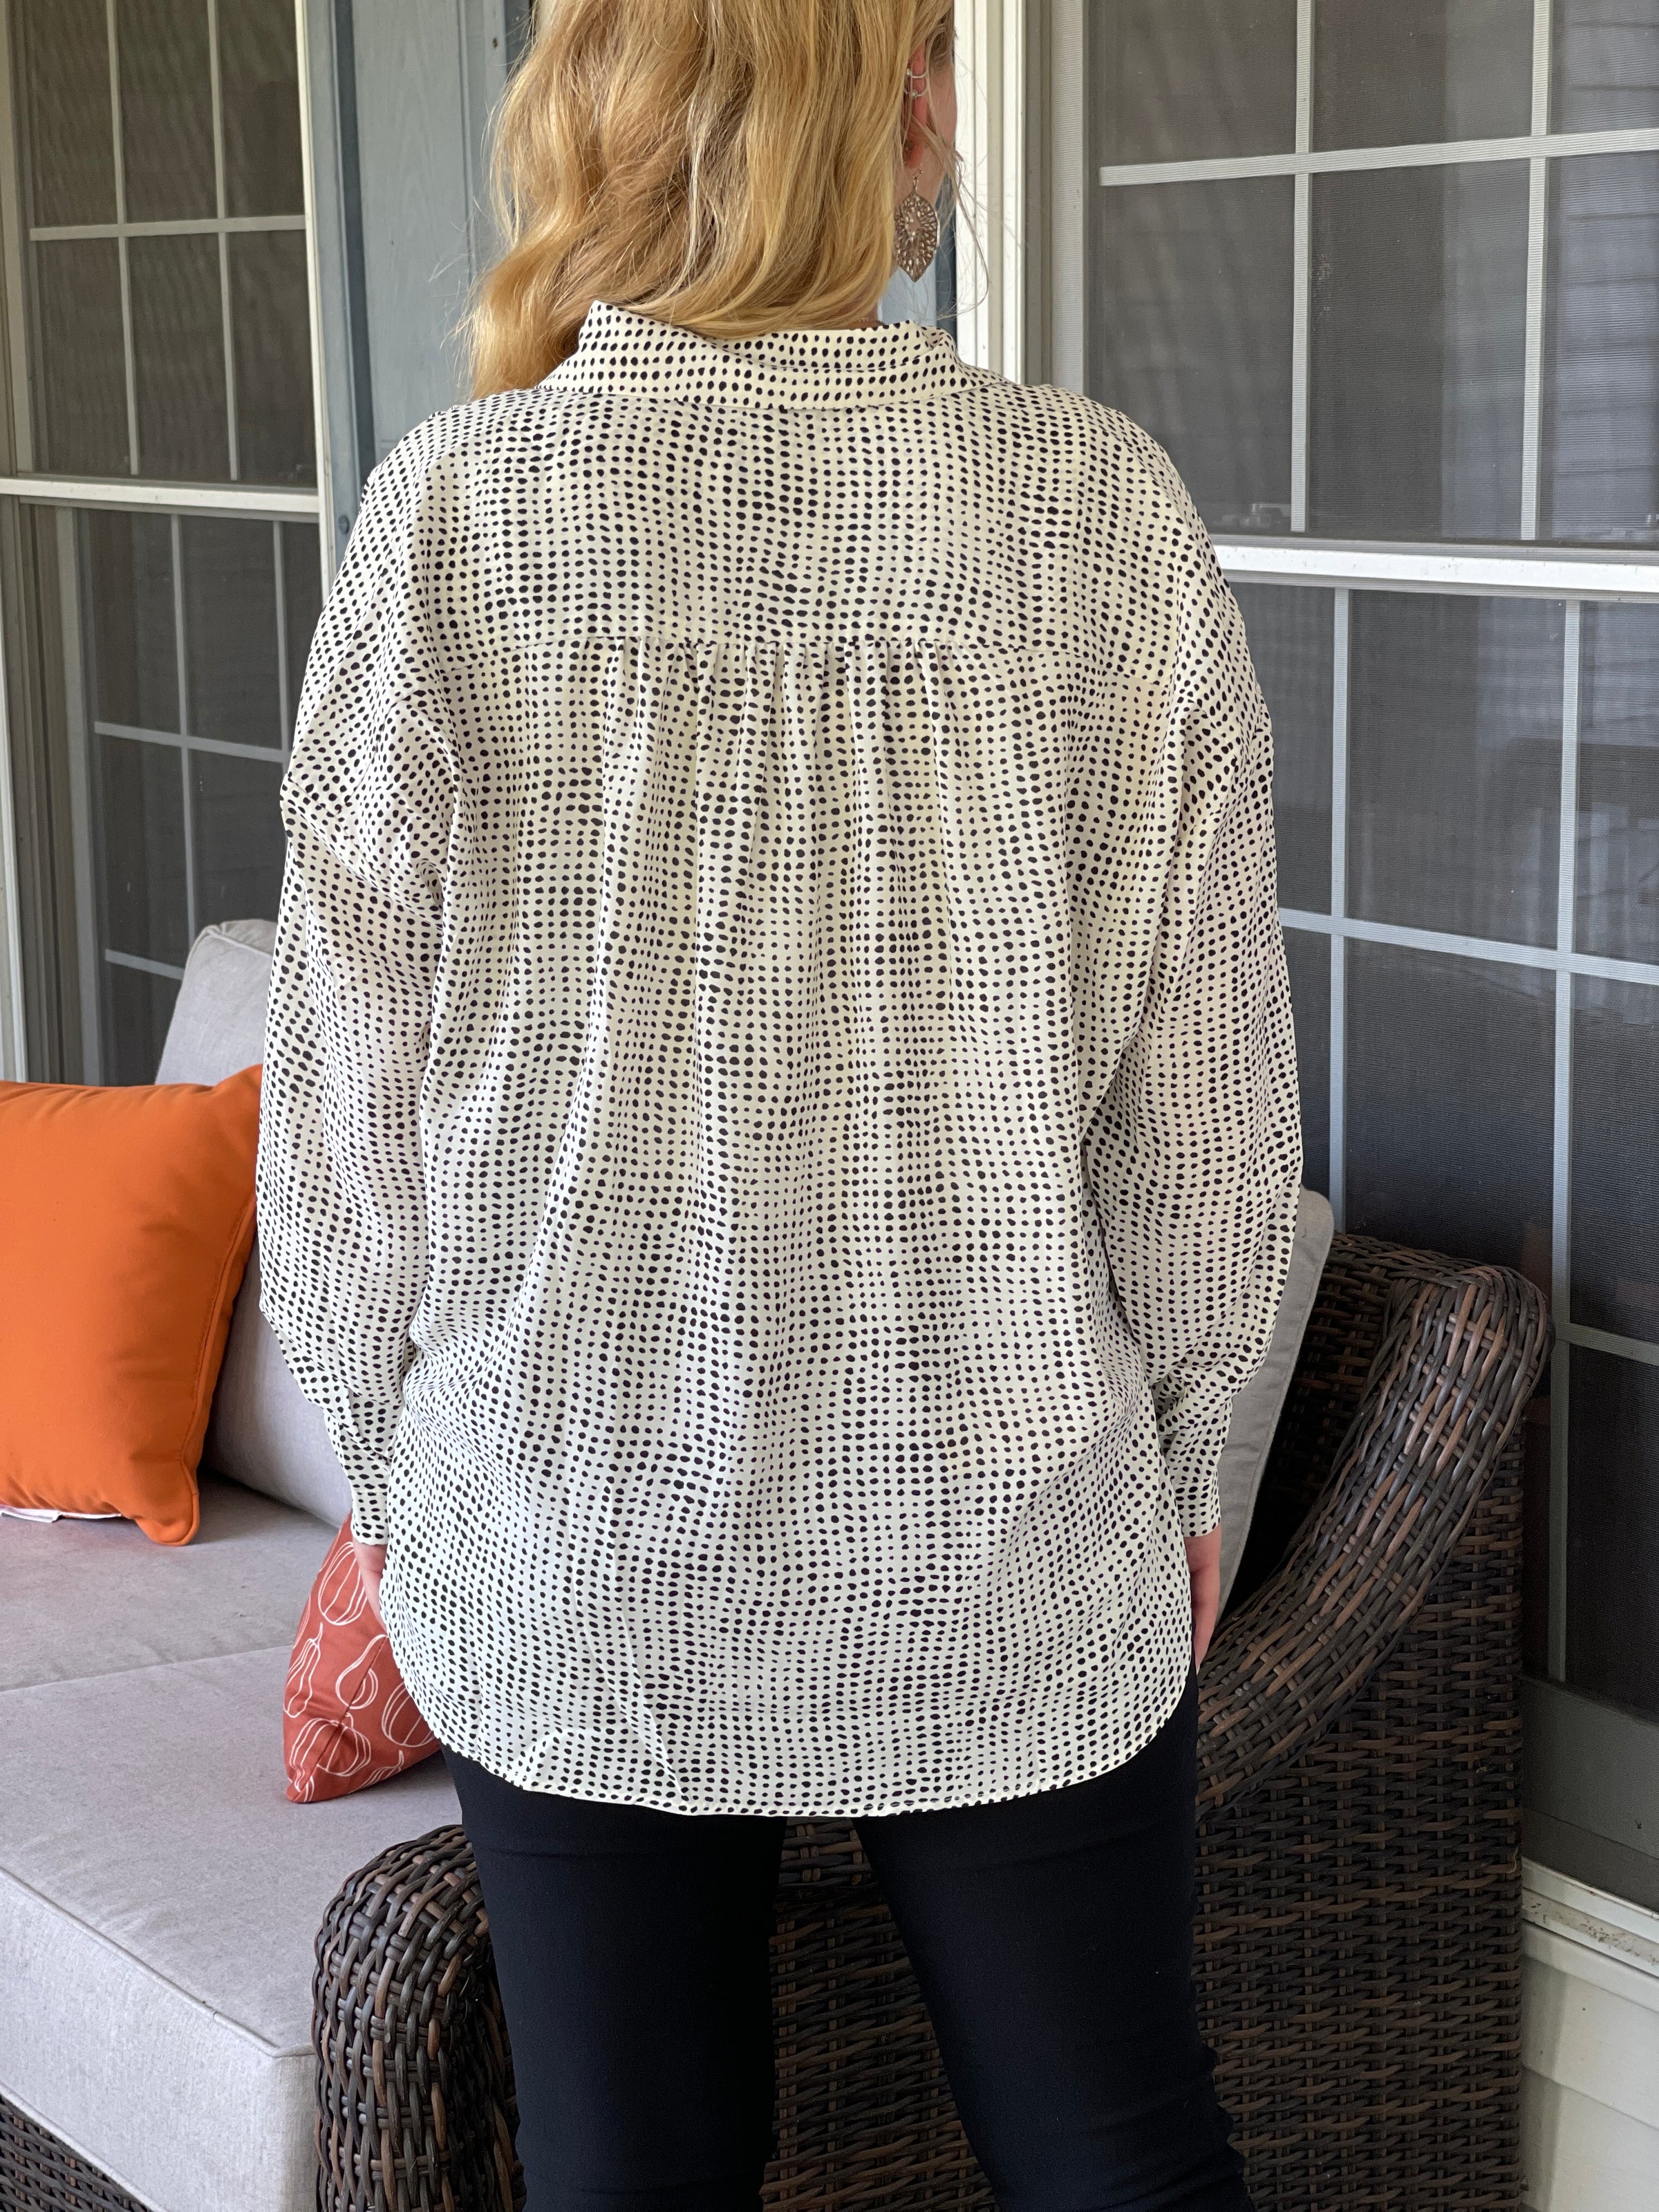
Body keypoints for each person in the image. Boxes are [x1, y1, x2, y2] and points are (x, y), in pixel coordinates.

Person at [255, 2, 1302, 2206]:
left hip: (573, 1539)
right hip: (1004, 1534)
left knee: (629, 2174)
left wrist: (398, 1472)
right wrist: (1190, 1446)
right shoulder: (1098, 517)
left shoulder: (452, 520)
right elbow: (1204, 1115)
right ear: (897, 108)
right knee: (1119, 2158)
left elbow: (342, 1139)